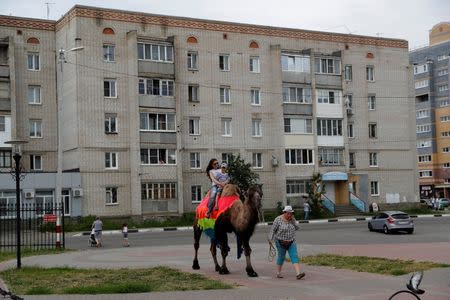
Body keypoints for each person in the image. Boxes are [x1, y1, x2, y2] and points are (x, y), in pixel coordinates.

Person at [268, 205, 305, 280]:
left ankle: (298, 274)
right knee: (281, 257)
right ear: (284, 212)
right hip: (280, 242)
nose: (289, 215)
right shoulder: (278, 219)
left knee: (294, 256)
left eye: (291, 213)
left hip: (291, 241)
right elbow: (272, 230)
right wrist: (270, 240)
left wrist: (293, 220)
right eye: (288, 213)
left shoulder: (292, 219)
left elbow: (298, 227)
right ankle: (278, 273)